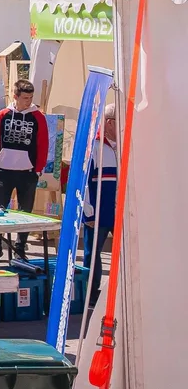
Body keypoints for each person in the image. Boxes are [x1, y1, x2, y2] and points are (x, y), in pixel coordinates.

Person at [0, 79, 48, 263]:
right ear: (15, 96)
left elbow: (43, 145)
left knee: (25, 212)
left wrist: (37, 169)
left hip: (27, 172)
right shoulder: (3, 115)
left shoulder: (38, 117)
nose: (29, 102)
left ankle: (20, 248)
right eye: (25, 98)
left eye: (31, 98)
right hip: (3, 170)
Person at [83, 103, 118, 306]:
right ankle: (91, 292)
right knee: (92, 252)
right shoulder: (94, 146)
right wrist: (88, 213)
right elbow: (85, 182)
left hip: (120, 210)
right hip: (99, 211)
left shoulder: (124, 143)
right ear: (109, 123)